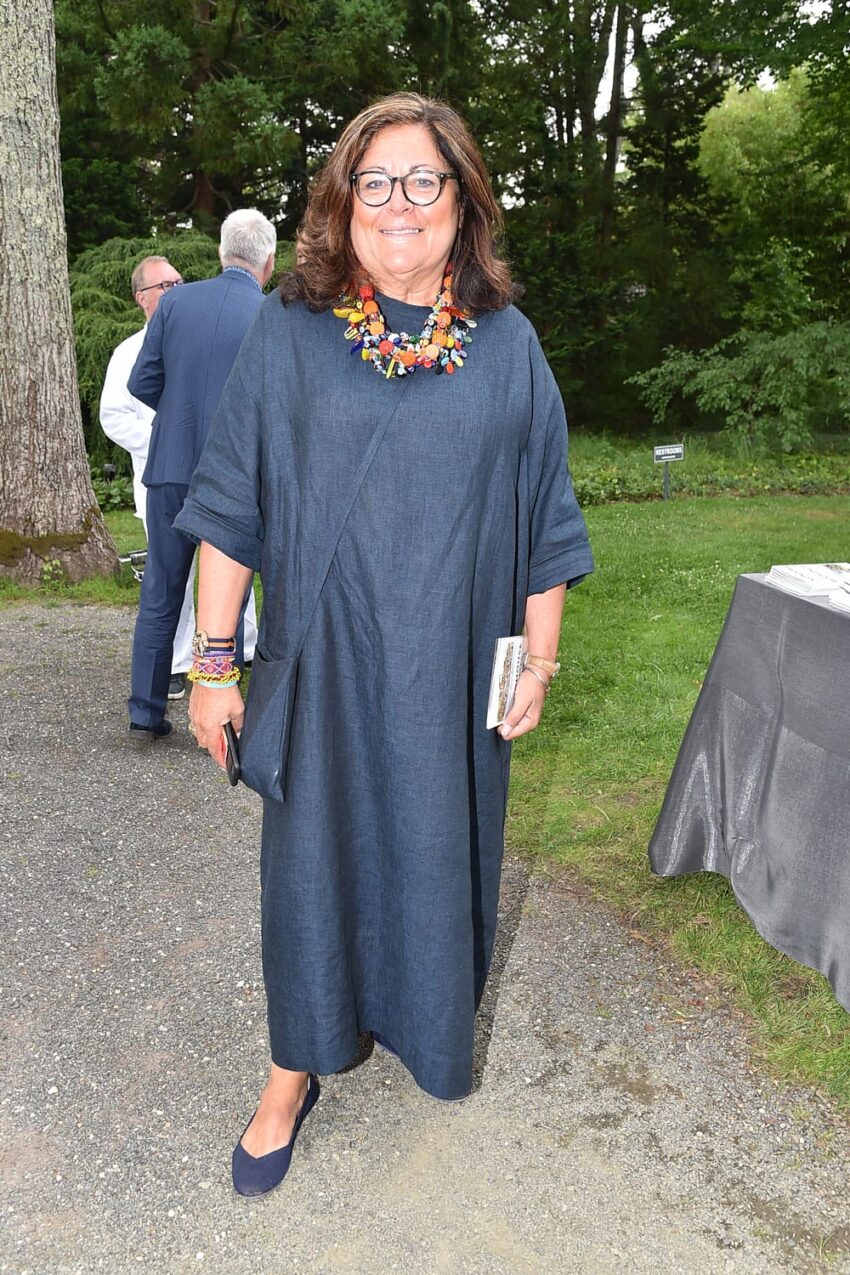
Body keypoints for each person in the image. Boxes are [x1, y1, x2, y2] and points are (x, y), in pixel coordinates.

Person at [175, 93, 594, 1196]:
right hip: (324, 675)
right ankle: (289, 1073)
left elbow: (547, 521)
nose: (397, 204)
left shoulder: (507, 348)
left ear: (462, 203)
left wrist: (537, 664)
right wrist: (214, 672)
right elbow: (230, 507)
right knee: (309, 877)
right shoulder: (294, 332)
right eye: (374, 182)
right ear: (341, 204)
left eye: (422, 181)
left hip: (451, 683)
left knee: (432, 862)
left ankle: (416, 1032)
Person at [126, 211, 273, 741]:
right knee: (226, 590)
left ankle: (145, 710)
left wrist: (181, 412)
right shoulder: (270, 314)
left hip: (169, 468)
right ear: (269, 262)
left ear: (221, 253)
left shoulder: (175, 303)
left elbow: (142, 382)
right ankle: (222, 704)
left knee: (162, 591)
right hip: (233, 477)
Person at [100, 256, 195, 699]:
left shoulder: (196, 340)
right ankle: (174, 665)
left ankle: (239, 647)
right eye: (165, 286)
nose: (176, 290)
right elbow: (113, 416)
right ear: (142, 298)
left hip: (205, 479)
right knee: (172, 575)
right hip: (160, 479)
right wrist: (161, 443)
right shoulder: (128, 352)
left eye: (179, 282)